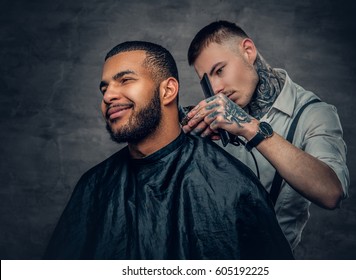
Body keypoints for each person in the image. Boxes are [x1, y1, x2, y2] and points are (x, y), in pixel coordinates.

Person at [44, 41, 293, 260]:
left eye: (125, 80)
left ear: (168, 90)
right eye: (104, 89)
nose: (108, 95)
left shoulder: (234, 186)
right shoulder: (93, 186)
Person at [182, 21, 350, 250]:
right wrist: (186, 138)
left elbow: (332, 193)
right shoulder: (215, 119)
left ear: (248, 51)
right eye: (207, 81)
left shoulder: (314, 114)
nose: (216, 87)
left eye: (219, 70)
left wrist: (249, 128)